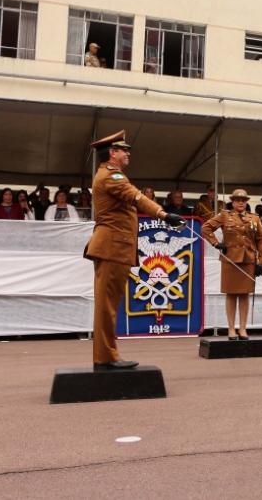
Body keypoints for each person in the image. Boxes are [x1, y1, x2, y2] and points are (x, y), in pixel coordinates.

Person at [84, 130, 183, 370]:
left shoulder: (109, 175)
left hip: (113, 247)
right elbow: (136, 197)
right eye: (123, 149)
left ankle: (106, 356)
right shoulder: (111, 176)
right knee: (107, 305)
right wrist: (163, 214)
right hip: (112, 247)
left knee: (108, 303)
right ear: (112, 153)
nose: (128, 153)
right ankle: (106, 357)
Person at [201, 189, 262, 340]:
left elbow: (261, 241)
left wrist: (261, 262)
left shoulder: (254, 219)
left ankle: (242, 329)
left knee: (244, 295)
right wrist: (216, 243)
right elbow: (205, 228)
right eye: (237, 200)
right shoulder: (225, 215)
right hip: (230, 260)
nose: (240, 202)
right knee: (231, 294)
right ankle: (231, 329)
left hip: (248, 260)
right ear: (232, 201)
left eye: (243, 200)